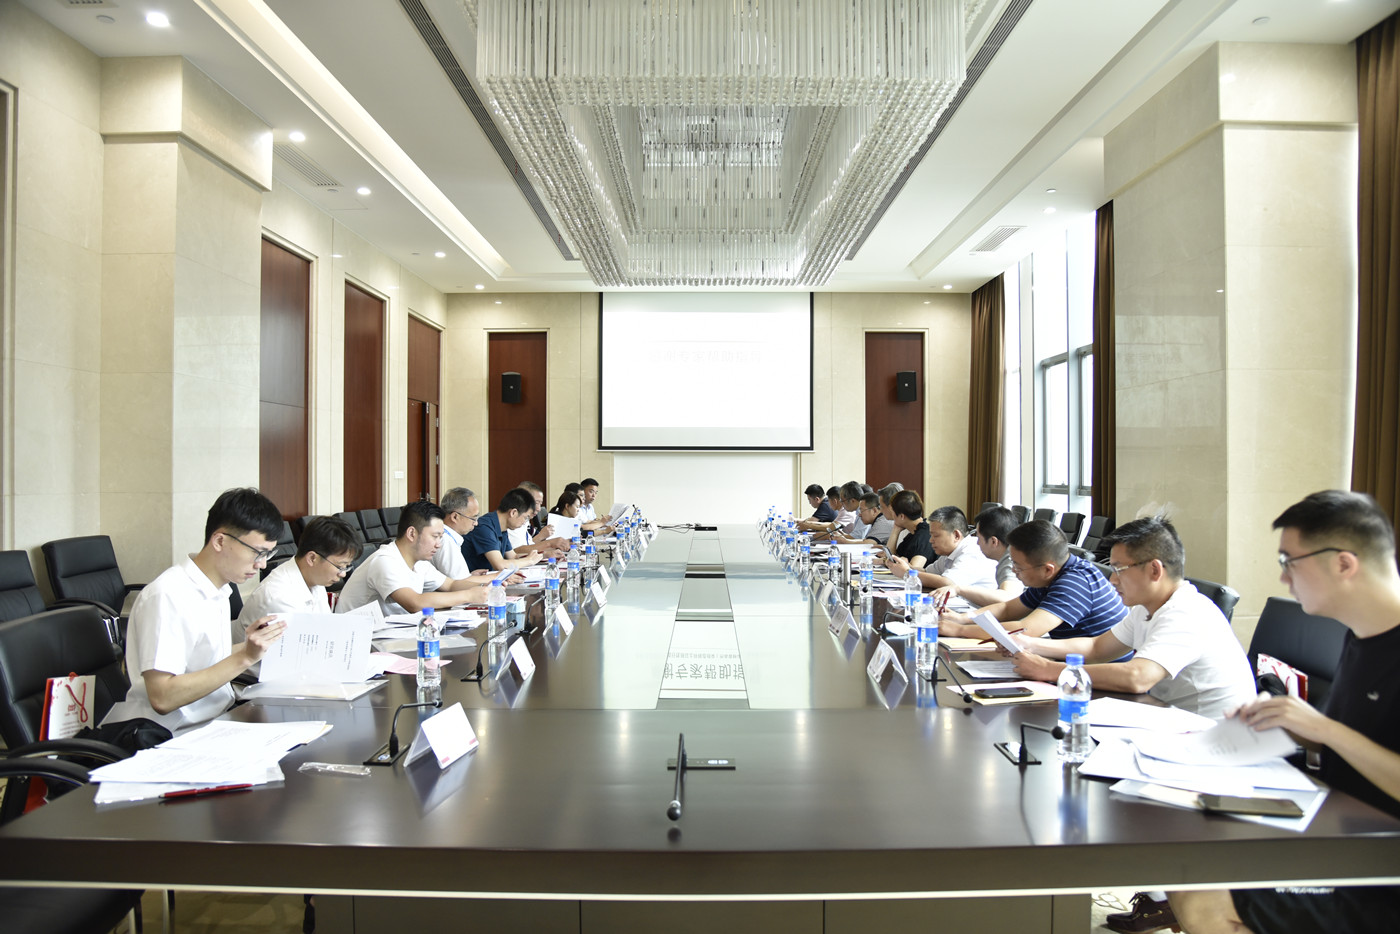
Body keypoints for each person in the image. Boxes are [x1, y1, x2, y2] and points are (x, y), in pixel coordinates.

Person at [1166, 491, 1400, 934]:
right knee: (1182, 864)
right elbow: (1344, 740)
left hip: (1382, 869)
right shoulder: (1360, 636)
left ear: (1343, 563)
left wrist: (1325, 729)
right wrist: (1283, 723)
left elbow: (1338, 735)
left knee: (1204, 899)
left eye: (1289, 561)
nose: (1282, 577)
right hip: (1337, 830)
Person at [1009, 516, 1254, 720]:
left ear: (1154, 570)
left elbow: (1138, 677)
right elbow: (1097, 647)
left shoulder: (1186, 612)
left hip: (1210, 738)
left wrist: (1049, 670)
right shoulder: (1146, 608)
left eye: (1119, 569)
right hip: (1170, 720)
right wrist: (1030, 644)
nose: (1113, 579)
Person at [102, 488, 288, 732]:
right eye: (257, 552)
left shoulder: (218, 590)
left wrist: (254, 646)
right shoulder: (168, 596)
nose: (262, 564)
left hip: (217, 720)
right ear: (220, 541)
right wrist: (245, 658)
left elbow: (204, 659)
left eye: (268, 553)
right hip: (174, 734)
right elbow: (163, 697)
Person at [939, 519, 1127, 640]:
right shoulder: (1050, 577)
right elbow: (1007, 609)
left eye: (1018, 567)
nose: (1013, 571)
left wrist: (959, 630)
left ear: (1047, 569)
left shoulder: (1074, 582)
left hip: (1098, 673)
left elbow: (1026, 630)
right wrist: (961, 619)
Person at [335, 501, 491, 615]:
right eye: (435, 536)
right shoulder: (384, 561)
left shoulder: (420, 562)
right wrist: (468, 595)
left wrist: (487, 587)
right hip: (360, 639)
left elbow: (451, 585)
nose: (438, 544)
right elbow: (414, 603)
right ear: (411, 533)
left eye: (441, 537)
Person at [236, 514, 361, 642]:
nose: (343, 574)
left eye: (346, 567)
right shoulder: (279, 597)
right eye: (340, 566)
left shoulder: (314, 578)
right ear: (312, 558)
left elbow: (325, 628)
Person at [886, 505, 998, 613]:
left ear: (956, 535)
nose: (930, 540)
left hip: (977, 614)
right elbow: (927, 572)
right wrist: (904, 567)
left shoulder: (971, 551)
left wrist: (907, 573)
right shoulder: (949, 552)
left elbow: (948, 582)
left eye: (935, 536)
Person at [930, 505, 1024, 609]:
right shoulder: (1007, 556)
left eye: (979, 538)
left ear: (993, 541)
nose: (977, 543)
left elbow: (1007, 598)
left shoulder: (1012, 559)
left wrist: (958, 589)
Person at [462, 487, 544, 572]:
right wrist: (529, 560)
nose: (524, 522)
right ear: (513, 512)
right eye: (525, 517)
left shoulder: (503, 528)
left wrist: (543, 555)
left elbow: (513, 556)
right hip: (473, 578)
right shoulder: (484, 527)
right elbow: (499, 565)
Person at [434, 486, 480, 579]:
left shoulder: (447, 536)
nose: (476, 523)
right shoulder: (446, 541)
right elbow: (460, 583)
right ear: (455, 517)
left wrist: (470, 576)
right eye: (473, 518)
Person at [886, 489, 934, 569]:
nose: (892, 517)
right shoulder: (912, 533)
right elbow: (891, 557)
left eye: (893, 513)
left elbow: (914, 569)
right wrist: (895, 530)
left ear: (902, 516)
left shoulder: (924, 535)